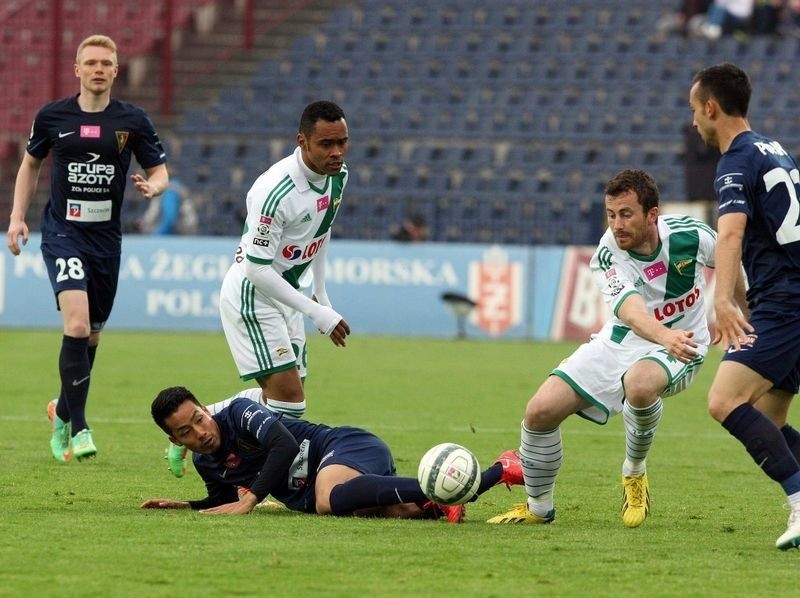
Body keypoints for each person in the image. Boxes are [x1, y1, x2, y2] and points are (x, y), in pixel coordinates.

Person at [488, 169, 717, 528]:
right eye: (611, 215)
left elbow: (733, 258)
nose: (617, 224)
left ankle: (634, 472)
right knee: (539, 412)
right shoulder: (608, 251)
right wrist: (663, 335)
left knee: (640, 386)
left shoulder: (691, 235)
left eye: (626, 214)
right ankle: (538, 508)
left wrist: (739, 313)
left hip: (684, 344)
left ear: (652, 214)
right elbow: (630, 310)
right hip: (626, 337)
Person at [5, 34, 168, 463]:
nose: (98, 69)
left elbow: (160, 170)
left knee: (92, 334)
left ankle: (61, 408)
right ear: (77, 70)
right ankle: (79, 427)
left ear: (116, 71)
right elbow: (30, 165)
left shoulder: (132, 120)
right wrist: (17, 216)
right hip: (62, 234)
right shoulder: (52, 116)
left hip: (106, 242)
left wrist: (154, 186)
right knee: (76, 326)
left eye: (106, 63)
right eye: (90, 62)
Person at [690, 62, 800, 550]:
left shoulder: (734, 160)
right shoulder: (776, 151)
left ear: (712, 108)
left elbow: (731, 232)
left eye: (695, 110)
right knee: (771, 417)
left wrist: (722, 300)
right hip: (789, 296)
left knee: (724, 400)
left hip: (786, 300)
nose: (694, 120)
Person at [142, 386, 522, 521]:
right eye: (185, 431)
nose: (199, 432)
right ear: (176, 442)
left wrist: (253, 499)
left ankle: (490, 475)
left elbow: (285, 444)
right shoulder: (208, 460)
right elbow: (222, 499)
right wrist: (187, 506)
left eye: (198, 418)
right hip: (329, 483)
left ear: (206, 410)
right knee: (391, 512)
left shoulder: (241, 413)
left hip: (344, 447)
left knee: (329, 500)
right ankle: (436, 504)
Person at [218, 100, 350, 420]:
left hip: (288, 294)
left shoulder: (338, 175)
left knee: (284, 402)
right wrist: (314, 310)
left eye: (342, 142)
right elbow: (255, 267)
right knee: (290, 403)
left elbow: (322, 228)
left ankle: (204, 417)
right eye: (326, 144)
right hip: (254, 293)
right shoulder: (274, 191)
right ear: (301, 141)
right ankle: (233, 453)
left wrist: (321, 291)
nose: (337, 152)